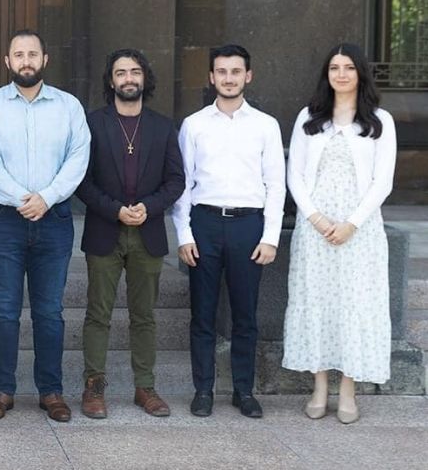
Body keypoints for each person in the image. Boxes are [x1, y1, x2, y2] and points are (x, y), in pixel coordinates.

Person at [0, 29, 91, 423]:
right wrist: (24, 198)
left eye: (32, 54)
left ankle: (51, 391)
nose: (26, 61)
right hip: (4, 220)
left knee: (50, 311)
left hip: (53, 220)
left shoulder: (69, 107)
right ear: (7, 62)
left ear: (45, 60)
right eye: (18, 54)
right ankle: (2, 390)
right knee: (3, 310)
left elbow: (78, 157)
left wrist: (48, 197)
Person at [282, 43, 396, 424]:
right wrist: (315, 218)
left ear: (360, 73)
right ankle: (319, 386)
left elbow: (383, 182)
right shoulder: (308, 119)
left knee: (354, 305)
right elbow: (294, 174)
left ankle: (347, 390)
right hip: (315, 230)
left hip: (359, 232)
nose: (342, 74)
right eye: (334, 67)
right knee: (316, 302)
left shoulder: (380, 121)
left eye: (349, 67)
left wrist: (351, 223)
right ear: (326, 74)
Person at [172, 44, 285, 419]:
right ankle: (203, 390)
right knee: (202, 314)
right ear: (211, 77)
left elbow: (275, 184)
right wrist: (184, 235)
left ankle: (243, 390)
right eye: (222, 72)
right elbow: (182, 184)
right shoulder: (194, 124)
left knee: (245, 315)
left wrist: (270, 237)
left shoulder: (265, 125)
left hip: (248, 226)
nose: (229, 78)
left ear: (247, 76)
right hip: (204, 223)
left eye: (236, 72)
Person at [75, 49, 185, 419]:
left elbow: (176, 180)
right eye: (120, 72)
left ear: (144, 78)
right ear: (111, 81)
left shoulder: (163, 126)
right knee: (98, 314)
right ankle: (94, 387)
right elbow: (82, 180)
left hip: (148, 233)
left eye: (135, 72)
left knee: (144, 316)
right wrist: (115, 209)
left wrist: (148, 207)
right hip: (105, 229)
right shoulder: (92, 124)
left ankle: (145, 388)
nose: (128, 79)